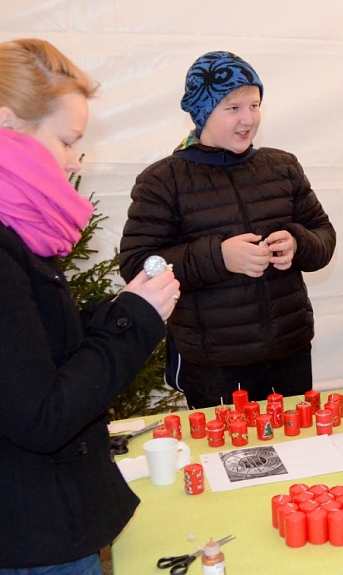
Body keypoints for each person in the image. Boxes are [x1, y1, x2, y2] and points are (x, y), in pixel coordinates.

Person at [0, 39, 179, 572]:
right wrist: (132, 322)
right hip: (34, 535)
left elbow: (33, 351)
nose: (76, 161)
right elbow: (41, 414)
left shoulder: (17, 236)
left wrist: (119, 307)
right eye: (66, 141)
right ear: (7, 125)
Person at [120, 51, 336, 409]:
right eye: (233, 108)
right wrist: (218, 257)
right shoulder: (163, 180)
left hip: (290, 352)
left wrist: (299, 243)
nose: (248, 118)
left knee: (300, 454)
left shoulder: (282, 167)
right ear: (203, 112)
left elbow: (323, 234)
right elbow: (139, 265)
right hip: (214, 364)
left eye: (254, 105)